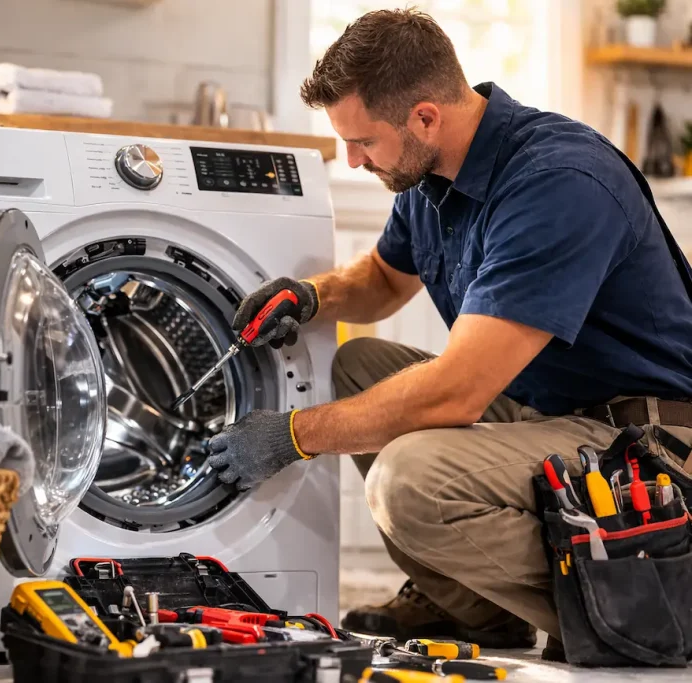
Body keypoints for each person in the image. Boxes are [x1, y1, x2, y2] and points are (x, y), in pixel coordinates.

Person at [204, 8, 692, 657]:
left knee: (409, 481)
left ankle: (647, 601)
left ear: (425, 117)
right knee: (358, 365)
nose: (351, 161)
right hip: (553, 410)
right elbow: (384, 277)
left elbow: (457, 393)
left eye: (363, 142)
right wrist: (313, 294)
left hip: (649, 445)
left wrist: (293, 436)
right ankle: (477, 611)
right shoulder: (430, 173)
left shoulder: (557, 184)